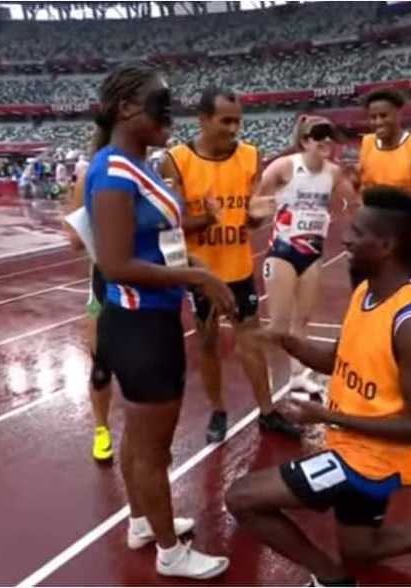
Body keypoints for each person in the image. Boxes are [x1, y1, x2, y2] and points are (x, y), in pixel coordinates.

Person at [226, 187, 411, 586]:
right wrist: (286, 340)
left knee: (241, 498)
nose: (346, 239)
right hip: (347, 444)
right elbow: (341, 360)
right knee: (362, 549)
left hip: (369, 460)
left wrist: (323, 415)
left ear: (387, 244)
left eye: (357, 233)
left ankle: (329, 579)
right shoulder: (366, 292)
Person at [87, 62, 234, 579]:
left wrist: (194, 266)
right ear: (127, 108)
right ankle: (171, 552)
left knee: (139, 440)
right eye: (159, 103)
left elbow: (159, 246)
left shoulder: (142, 166)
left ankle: (142, 521)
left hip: (151, 320)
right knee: (153, 450)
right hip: (138, 326)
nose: (169, 112)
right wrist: (200, 281)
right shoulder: (111, 169)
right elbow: (115, 263)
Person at [161, 86, 301, 442]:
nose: (234, 128)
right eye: (225, 121)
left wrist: (258, 218)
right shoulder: (176, 160)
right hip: (201, 274)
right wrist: (206, 220)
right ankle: (218, 410)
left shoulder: (252, 156)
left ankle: (267, 411)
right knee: (208, 344)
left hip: (238, 270)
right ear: (204, 120)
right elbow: (169, 225)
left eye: (237, 121)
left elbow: (252, 218)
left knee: (251, 341)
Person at [249, 115, 355, 399]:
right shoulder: (284, 167)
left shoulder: (333, 173)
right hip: (283, 252)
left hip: (313, 254)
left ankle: (296, 378)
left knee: (302, 321)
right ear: (304, 140)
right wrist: (267, 207)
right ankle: (261, 370)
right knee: (279, 325)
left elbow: (354, 204)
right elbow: (255, 204)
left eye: (329, 135)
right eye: (318, 136)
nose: (326, 141)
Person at [62, 151, 119, 462]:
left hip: (144, 282)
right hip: (104, 281)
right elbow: (73, 241)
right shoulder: (90, 177)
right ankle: (102, 431)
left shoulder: (151, 171)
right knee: (100, 367)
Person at [356, 88, 411, 286]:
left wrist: (383, 198)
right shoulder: (367, 143)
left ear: (398, 114)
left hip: (400, 240)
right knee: (365, 296)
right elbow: (360, 189)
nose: (377, 122)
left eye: (383, 116)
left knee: (396, 296)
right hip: (368, 236)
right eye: (372, 117)